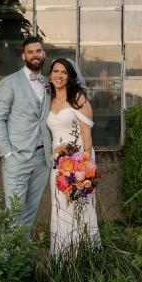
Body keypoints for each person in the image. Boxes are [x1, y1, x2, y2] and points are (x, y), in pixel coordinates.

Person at [0, 36, 52, 231]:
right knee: (14, 213)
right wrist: (8, 154)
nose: (35, 55)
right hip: (17, 157)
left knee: (30, 214)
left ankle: (21, 259)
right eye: (30, 52)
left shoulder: (49, 84)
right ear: (23, 55)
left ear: (44, 54)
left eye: (38, 51)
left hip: (43, 158)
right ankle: (7, 260)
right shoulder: (9, 83)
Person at [47, 57, 100, 254]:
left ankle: (83, 256)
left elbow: (86, 133)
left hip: (77, 162)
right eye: (55, 71)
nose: (59, 75)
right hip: (57, 164)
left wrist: (84, 168)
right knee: (60, 209)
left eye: (63, 72)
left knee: (79, 209)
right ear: (50, 74)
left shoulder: (77, 97)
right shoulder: (49, 98)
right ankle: (62, 258)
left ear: (69, 76)